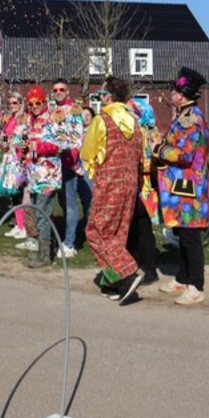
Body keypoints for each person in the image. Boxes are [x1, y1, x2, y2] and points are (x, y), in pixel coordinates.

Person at [80, 77, 144, 305]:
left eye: (101, 94)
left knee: (96, 231)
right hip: (130, 183)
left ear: (108, 97)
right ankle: (114, 284)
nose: (100, 99)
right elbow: (140, 153)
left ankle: (127, 272)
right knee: (118, 234)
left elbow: (87, 152)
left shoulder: (102, 120)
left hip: (109, 182)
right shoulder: (134, 121)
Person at [154, 67, 209, 306]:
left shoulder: (190, 119)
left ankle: (196, 285)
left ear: (182, 94)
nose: (172, 94)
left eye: (175, 91)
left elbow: (185, 153)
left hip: (190, 186)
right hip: (182, 185)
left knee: (190, 235)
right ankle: (182, 277)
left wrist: (159, 150)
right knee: (182, 231)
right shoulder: (184, 115)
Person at [20, 86, 62, 267]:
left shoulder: (52, 119)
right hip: (34, 175)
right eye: (31, 104)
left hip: (48, 175)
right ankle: (43, 249)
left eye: (38, 103)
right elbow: (26, 143)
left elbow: (60, 144)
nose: (34, 106)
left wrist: (39, 147)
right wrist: (24, 148)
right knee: (38, 212)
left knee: (43, 213)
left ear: (44, 102)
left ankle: (45, 254)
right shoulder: (30, 120)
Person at [50, 78, 88, 257]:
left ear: (67, 91)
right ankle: (68, 234)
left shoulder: (74, 110)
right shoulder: (53, 110)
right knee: (63, 202)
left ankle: (70, 243)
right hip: (55, 163)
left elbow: (77, 138)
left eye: (61, 89)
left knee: (71, 202)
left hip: (69, 163)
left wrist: (71, 161)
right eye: (55, 90)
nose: (58, 92)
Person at [127, 94, 161, 285]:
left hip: (144, 186)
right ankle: (135, 262)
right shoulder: (148, 132)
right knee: (134, 226)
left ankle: (149, 268)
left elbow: (150, 160)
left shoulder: (145, 133)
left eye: (131, 112)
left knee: (142, 227)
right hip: (139, 184)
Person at [0, 92, 29, 237]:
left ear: (21, 103)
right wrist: (4, 144)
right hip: (10, 158)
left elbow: (25, 138)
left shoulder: (25, 119)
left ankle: (26, 225)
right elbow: (5, 137)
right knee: (13, 193)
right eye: (10, 103)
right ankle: (19, 224)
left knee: (21, 192)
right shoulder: (9, 119)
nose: (12, 106)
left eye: (15, 103)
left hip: (20, 160)